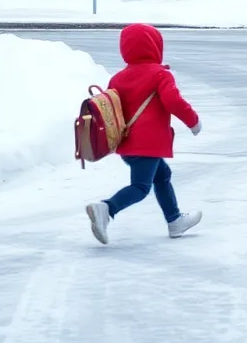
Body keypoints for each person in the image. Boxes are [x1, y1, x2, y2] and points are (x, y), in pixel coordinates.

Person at [86, 24, 202, 244]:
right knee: (140, 187)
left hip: (127, 143)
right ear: (155, 46)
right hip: (148, 144)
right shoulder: (160, 75)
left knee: (162, 176)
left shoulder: (117, 78)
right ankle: (106, 209)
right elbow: (173, 101)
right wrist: (193, 121)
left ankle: (175, 220)